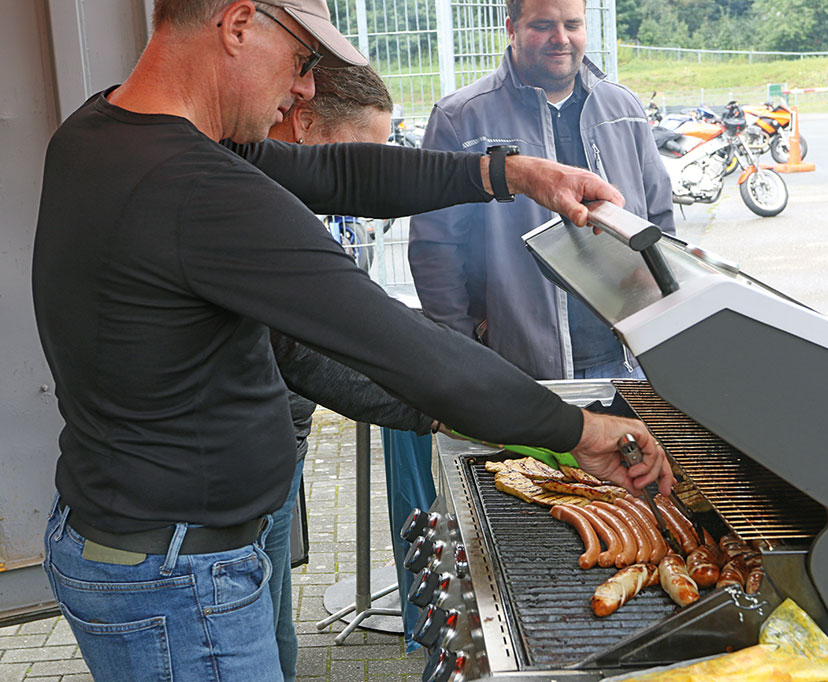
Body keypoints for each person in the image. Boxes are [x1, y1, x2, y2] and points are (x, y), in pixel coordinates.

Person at [31, 1, 674, 680]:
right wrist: (577, 429)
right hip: (180, 577)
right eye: (303, 60)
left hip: (141, 542)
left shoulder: (104, 129)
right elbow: (398, 344)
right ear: (238, 24)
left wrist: (513, 175)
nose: (306, 88)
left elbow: (342, 174)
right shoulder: (196, 189)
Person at [408, 0, 674, 381]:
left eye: (572, 24)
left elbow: (660, 217)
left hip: (630, 360)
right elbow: (435, 249)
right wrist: (466, 352)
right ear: (511, 29)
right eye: (543, 25)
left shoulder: (623, 108)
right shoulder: (461, 119)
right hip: (520, 368)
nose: (561, 39)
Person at [264, 64, 415, 681]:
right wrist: (440, 401)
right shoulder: (267, 213)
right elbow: (306, 353)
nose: (368, 178)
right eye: (361, 155)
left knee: (277, 634)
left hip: (280, 450)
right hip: (236, 481)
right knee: (267, 645)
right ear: (303, 122)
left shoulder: (296, 200)